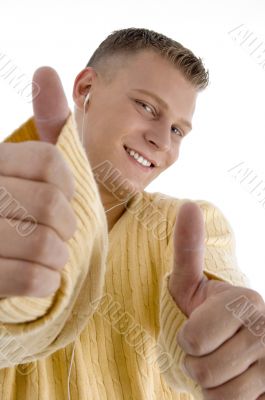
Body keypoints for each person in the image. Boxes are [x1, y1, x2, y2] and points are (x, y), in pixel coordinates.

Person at [0, 27, 264, 400]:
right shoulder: (6, 203)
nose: (162, 140)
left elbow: (197, 343)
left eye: (177, 129)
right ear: (85, 89)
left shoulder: (191, 227)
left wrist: (228, 345)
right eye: (146, 107)